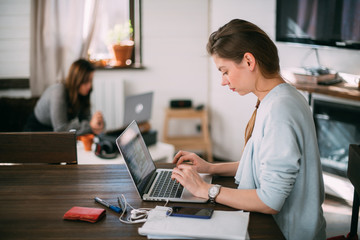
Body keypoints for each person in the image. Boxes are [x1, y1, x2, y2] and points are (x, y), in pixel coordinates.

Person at [171, 19, 326, 240]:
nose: (223, 81)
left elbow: (269, 200)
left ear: (248, 60)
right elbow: (263, 166)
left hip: (285, 234)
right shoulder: (280, 97)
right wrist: (211, 168)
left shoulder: (280, 111)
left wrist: (206, 190)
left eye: (224, 71)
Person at [24, 59, 105, 135]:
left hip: (55, 132)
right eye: (86, 81)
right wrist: (90, 126)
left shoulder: (84, 92)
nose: (89, 86)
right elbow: (60, 130)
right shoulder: (58, 91)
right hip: (36, 132)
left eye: (91, 80)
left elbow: (86, 119)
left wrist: (97, 123)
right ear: (76, 80)